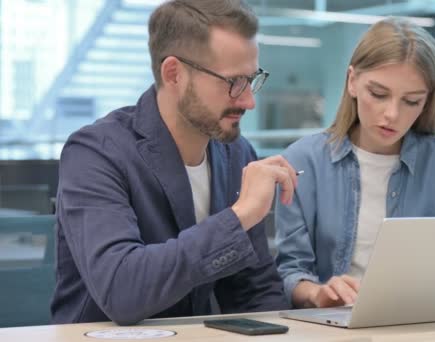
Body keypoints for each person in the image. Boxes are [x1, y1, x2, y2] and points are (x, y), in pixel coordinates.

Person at [51, 0, 298, 325]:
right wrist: (240, 217)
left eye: (252, 80)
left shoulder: (237, 154)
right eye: (233, 83)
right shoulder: (96, 153)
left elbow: (254, 291)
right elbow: (121, 291)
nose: (249, 100)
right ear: (174, 74)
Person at [274, 17, 435, 309]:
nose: (392, 114)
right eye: (379, 94)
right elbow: (289, 272)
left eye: (411, 101)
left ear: (427, 101)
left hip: (426, 322)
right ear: (352, 82)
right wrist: (317, 293)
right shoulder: (303, 160)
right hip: (333, 325)